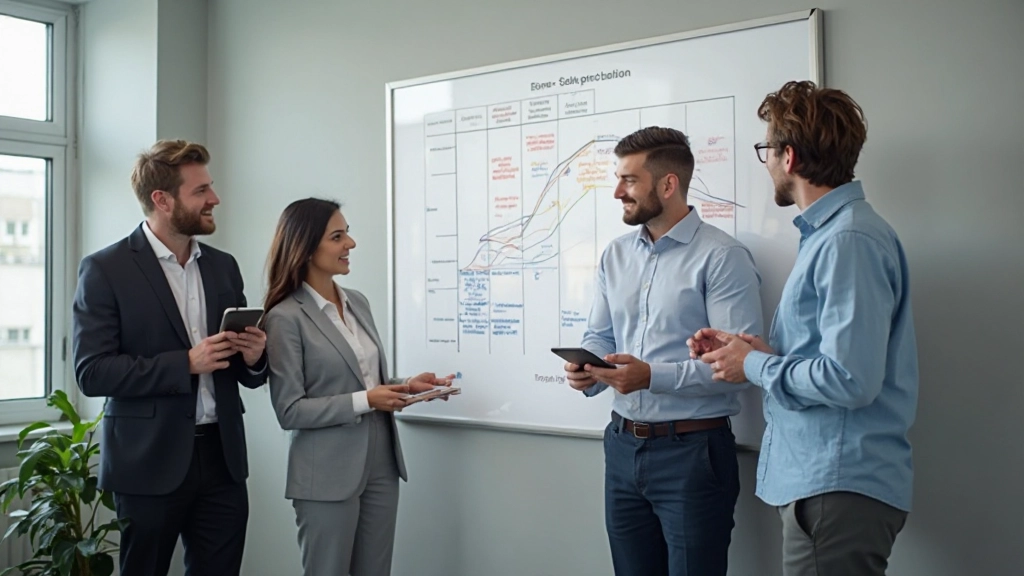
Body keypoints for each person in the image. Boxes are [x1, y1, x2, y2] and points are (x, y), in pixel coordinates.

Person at [692, 80, 918, 576]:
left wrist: (755, 364)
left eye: (767, 151)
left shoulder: (847, 240)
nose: (767, 164)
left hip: (835, 485)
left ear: (789, 157)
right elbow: (834, 358)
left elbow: (850, 379)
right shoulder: (833, 236)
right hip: (826, 484)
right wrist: (753, 353)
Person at [562, 126, 764, 576]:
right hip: (621, 447)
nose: (617, 192)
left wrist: (651, 376)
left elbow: (739, 367)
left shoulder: (723, 257)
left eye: (629, 180)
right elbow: (601, 335)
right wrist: (587, 367)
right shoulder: (615, 255)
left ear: (668, 184)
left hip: (693, 453)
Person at [72, 140, 268, 575]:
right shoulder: (105, 269)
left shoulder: (223, 266)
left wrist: (255, 357)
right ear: (162, 200)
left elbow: (242, 370)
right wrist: (186, 363)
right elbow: (92, 372)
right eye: (201, 191)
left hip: (223, 459)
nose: (214, 198)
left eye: (210, 187)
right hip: (147, 462)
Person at [262, 198, 453, 576]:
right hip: (326, 474)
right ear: (305, 247)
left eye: (347, 233)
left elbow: (366, 380)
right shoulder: (284, 318)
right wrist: (367, 399)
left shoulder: (358, 303)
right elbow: (290, 410)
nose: (350, 243)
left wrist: (407, 386)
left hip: (382, 463)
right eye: (337, 237)